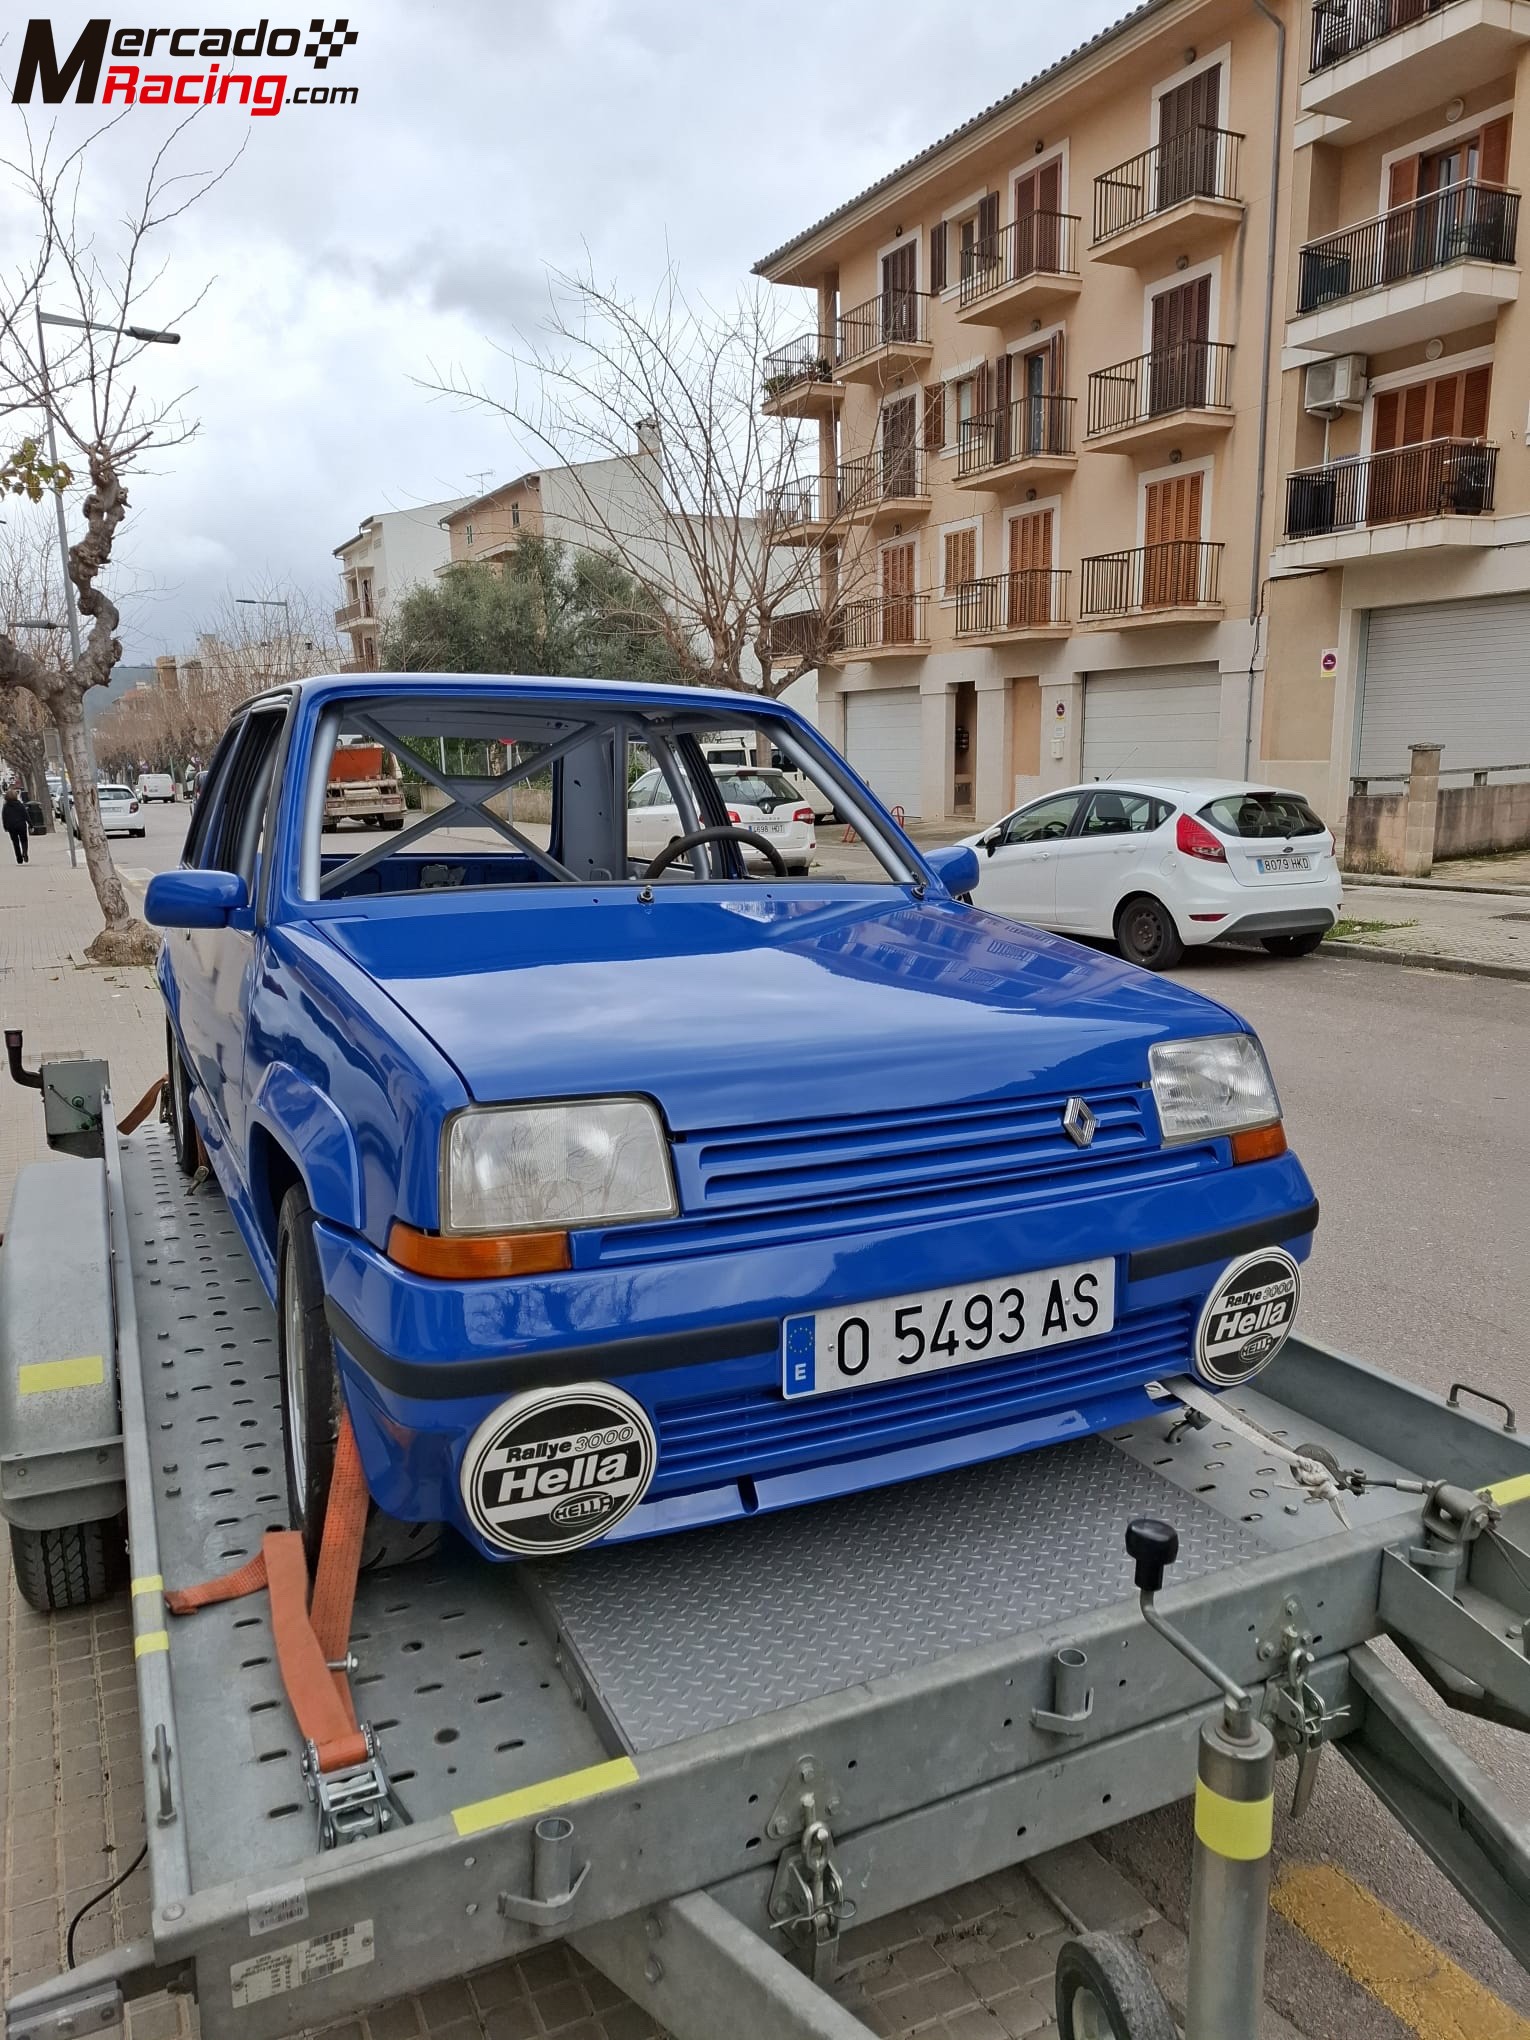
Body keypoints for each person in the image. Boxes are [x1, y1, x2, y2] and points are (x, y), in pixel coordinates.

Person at [3, 788, 30, 865]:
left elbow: (4, 817)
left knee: (15, 842)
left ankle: (19, 858)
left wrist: (5, 826)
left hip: (11, 826)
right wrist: (30, 824)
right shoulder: (20, 805)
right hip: (21, 825)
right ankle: (24, 852)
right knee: (24, 840)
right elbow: (25, 815)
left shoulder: (6, 806)